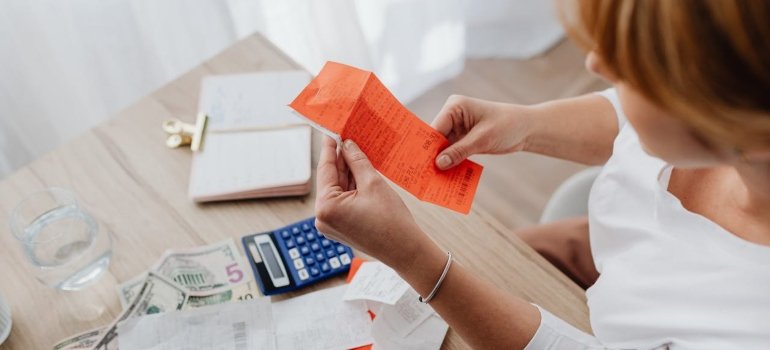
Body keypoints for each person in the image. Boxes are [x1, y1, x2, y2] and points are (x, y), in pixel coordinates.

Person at [313, 1, 770, 348]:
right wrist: (526, 125)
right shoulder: (730, 116)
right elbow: (630, 120)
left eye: (636, 68)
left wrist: (414, 259)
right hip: (605, 249)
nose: (596, 65)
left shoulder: (742, 324)